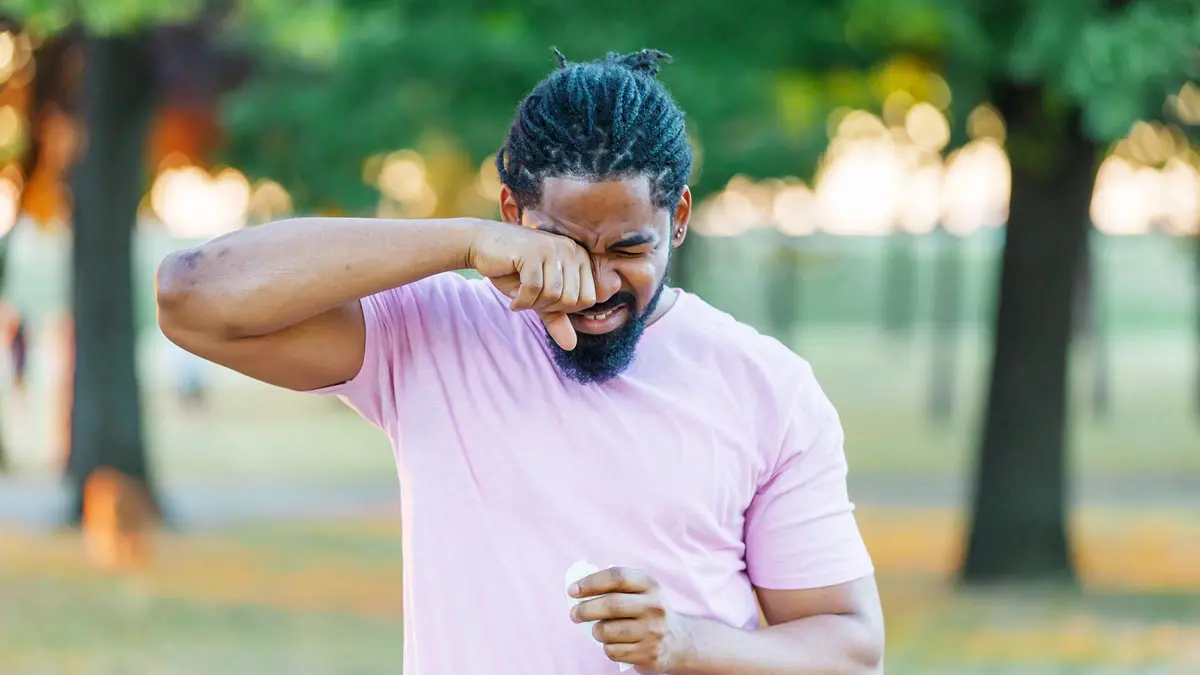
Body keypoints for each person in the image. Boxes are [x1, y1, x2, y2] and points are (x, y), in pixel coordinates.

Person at [156, 48, 884, 675]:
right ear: (513, 212)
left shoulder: (768, 387)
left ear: (680, 218)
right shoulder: (433, 332)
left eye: (630, 249)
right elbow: (191, 295)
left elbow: (851, 646)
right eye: (565, 247)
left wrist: (690, 643)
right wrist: (463, 243)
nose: (596, 285)